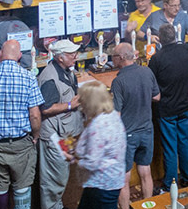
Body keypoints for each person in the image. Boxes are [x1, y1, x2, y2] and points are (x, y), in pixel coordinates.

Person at [0, 40, 44, 209]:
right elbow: (34, 115)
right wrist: (35, 136)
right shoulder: (28, 78)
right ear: (19, 56)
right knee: (22, 186)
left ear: (0, 54)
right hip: (21, 144)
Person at [148, 23, 188, 189]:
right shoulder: (186, 49)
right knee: (185, 143)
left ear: (160, 40)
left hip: (166, 110)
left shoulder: (156, 58)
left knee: (170, 148)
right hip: (185, 107)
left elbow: (150, 84)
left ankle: (170, 184)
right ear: (175, 35)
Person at [110, 42, 161, 209]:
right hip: (146, 130)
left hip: (127, 134)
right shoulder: (146, 71)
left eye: (114, 57)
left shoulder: (119, 81)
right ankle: (148, 205)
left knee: (124, 177)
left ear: (122, 58)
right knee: (145, 171)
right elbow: (157, 97)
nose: (112, 59)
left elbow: (117, 114)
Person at [37, 39, 84, 209]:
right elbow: (45, 108)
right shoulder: (49, 78)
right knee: (53, 182)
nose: (75, 56)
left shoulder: (67, 71)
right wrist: (70, 105)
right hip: (54, 138)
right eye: (71, 54)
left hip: (66, 134)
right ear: (60, 57)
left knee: (64, 175)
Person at [65, 81, 126, 209]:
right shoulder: (113, 115)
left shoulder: (97, 126)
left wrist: (74, 159)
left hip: (101, 183)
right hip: (113, 179)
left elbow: (92, 162)